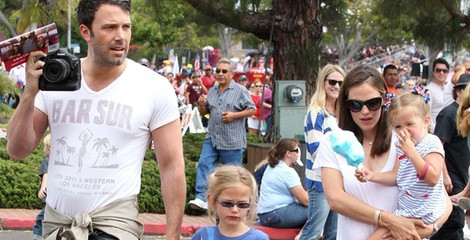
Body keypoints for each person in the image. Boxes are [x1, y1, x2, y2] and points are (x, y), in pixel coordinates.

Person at [6, 1, 186, 239]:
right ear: (85, 32)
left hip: (115, 228)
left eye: (126, 27)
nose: (121, 36)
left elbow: (171, 165)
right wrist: (30, 93)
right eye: (110, 27)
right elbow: (17, 150)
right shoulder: (55, 81)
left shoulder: (154, 87)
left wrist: (173, 234)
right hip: (58, 227)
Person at [318, 64, 451, 240]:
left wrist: (430, 227)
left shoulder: (405, 140)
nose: (365, 111)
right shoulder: (334, 141)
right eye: (355, 104)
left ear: (384, 100)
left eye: (372, 103)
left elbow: (441, 196)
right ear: (346, 105)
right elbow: (335, 199)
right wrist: (386, 219)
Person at [356, 89, 447, 239]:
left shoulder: (431, 143)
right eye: (397, 126)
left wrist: (412, 152)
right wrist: (372, 175)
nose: (404, 130)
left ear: (426, 121)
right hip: (407, 211)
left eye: (409, 124)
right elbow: (397, 176)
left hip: (423, 213)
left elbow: (432, 178)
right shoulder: (402, 145)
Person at [188, 58, 256, 212]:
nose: (220, 74)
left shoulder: (240, 90)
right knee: (204, 164)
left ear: (232, 74)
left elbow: (252, 110)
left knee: (232, 175)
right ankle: (201, 198)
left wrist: (234, 115)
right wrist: (201, 105)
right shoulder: (211, 90)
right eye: (217, 71)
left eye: (224, 71)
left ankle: (232, 203)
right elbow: (205, 112)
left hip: (232, 140)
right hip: (213, 137)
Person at [300, 64, 346, 240]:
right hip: (319, 181)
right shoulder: (316, 113)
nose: (336, 86)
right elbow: (315, 150)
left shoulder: (342, 114)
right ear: (323, 83)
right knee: (312, 232)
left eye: (341, 83)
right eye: (332, 81)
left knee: (333, 233)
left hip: (339, 181)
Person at [432, 74, 470, 239]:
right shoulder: (448, 113)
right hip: (451, 181)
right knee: (451, 226)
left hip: (463, 180)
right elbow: (437, 147)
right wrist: (445, 175)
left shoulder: (465, 116)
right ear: (459, 91)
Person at [191, 165, 269, 240]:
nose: (235, 210)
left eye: (242, 205)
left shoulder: (259, 238)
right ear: (213, 201)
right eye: (227, 203)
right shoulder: (203, 236)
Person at [257, 138, 308, 238]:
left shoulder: (272, 166)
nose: (298, 154)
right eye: (297, 151)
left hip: (265, 215)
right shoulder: (287, 171)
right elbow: (305, 200)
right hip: (276, 214)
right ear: (288, 153)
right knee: (319, 209)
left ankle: (304, 233)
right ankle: (304, 236)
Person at [33, 134, 51, 240]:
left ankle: (38, 237)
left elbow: (46, 174)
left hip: (49, 197)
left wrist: (43, 187)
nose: (44, 150)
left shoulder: (47, 160)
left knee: (41, 219)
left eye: (45, 147)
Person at [426, 58, 450, 132]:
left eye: (444, 71)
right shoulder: (428, 90)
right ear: (433, 72)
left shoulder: (448, 89)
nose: (441, 73)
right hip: (436, 133)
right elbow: (426, 114)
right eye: (438, 70)